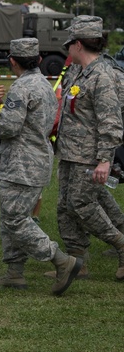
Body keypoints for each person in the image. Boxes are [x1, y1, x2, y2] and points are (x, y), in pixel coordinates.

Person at [0, 38, 82, 295]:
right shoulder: (45, 85)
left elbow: (9, 127)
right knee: (10, 217)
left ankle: (61, 260)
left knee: (15, 219)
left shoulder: (21, 87)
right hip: (38, 159)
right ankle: (14, 273)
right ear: (37, 60)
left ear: (12, 61)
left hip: (21, 163)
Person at [53, 16, 124, 280]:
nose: (67, 48)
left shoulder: (102, 76)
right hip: (70, 151)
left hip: (89, 155)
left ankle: (121, 244)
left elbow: (111, 122)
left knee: (82, 204)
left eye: (70, 43)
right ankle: (77, 262)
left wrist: (104, 160)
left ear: (79, 44)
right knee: (64, 206)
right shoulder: (77, 72)